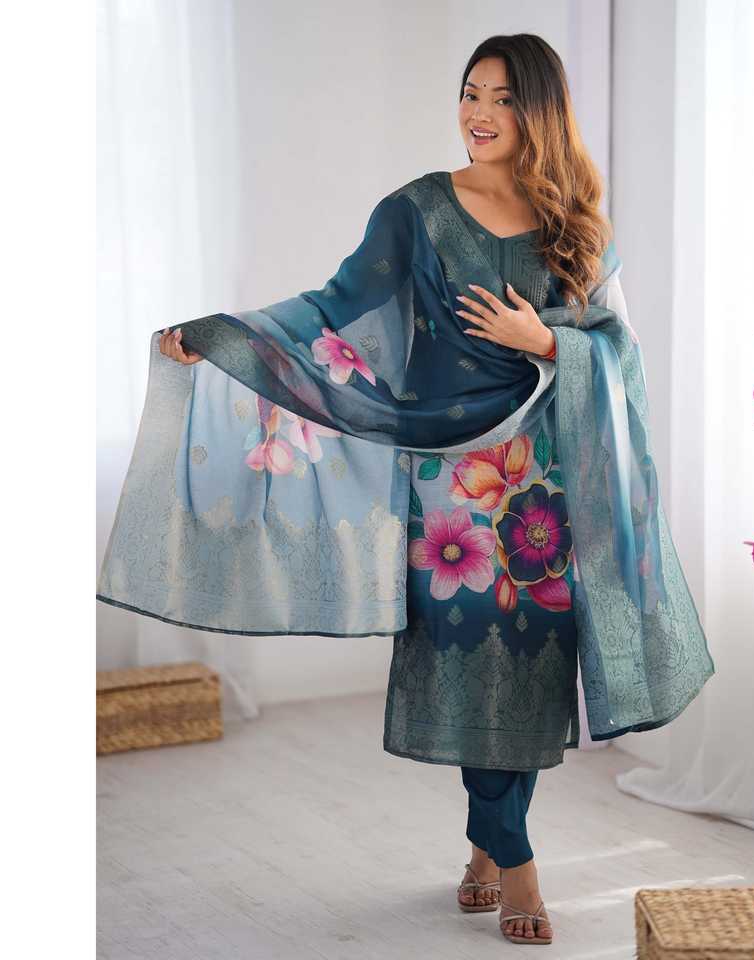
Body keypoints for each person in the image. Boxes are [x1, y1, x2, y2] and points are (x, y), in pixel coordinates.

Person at [102, 33, 714, 948]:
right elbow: (329, 312)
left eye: (501, 98)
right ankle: (518, 863)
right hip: (449, 487)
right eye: (470, 93)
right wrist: (220, 335)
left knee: (530, 667)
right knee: (472, 660)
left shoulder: (576, 222)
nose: (478, 113)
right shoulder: (417, 211)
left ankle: (486, 845)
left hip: (543, 489)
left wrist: (544, 341)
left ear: (538, 110)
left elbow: (620, 354)